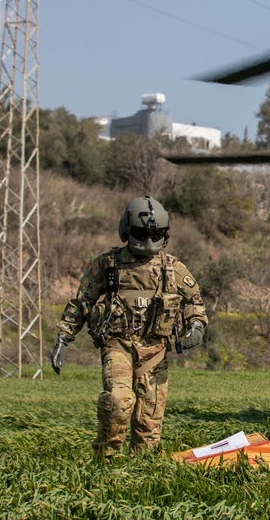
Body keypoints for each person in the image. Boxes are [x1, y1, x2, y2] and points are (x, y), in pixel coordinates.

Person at [50, 196, 208, 458]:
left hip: (155, 351)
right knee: (118, 400)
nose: (148, 240)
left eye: (154, 233)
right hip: (118, 345)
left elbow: (195, 303)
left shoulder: (173, 268)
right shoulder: (108, 265)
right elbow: (82, 302)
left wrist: (197, 327)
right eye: (143, 232)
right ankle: (105, 460)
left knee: (148, 426)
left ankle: (139, 474)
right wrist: (63, 337)